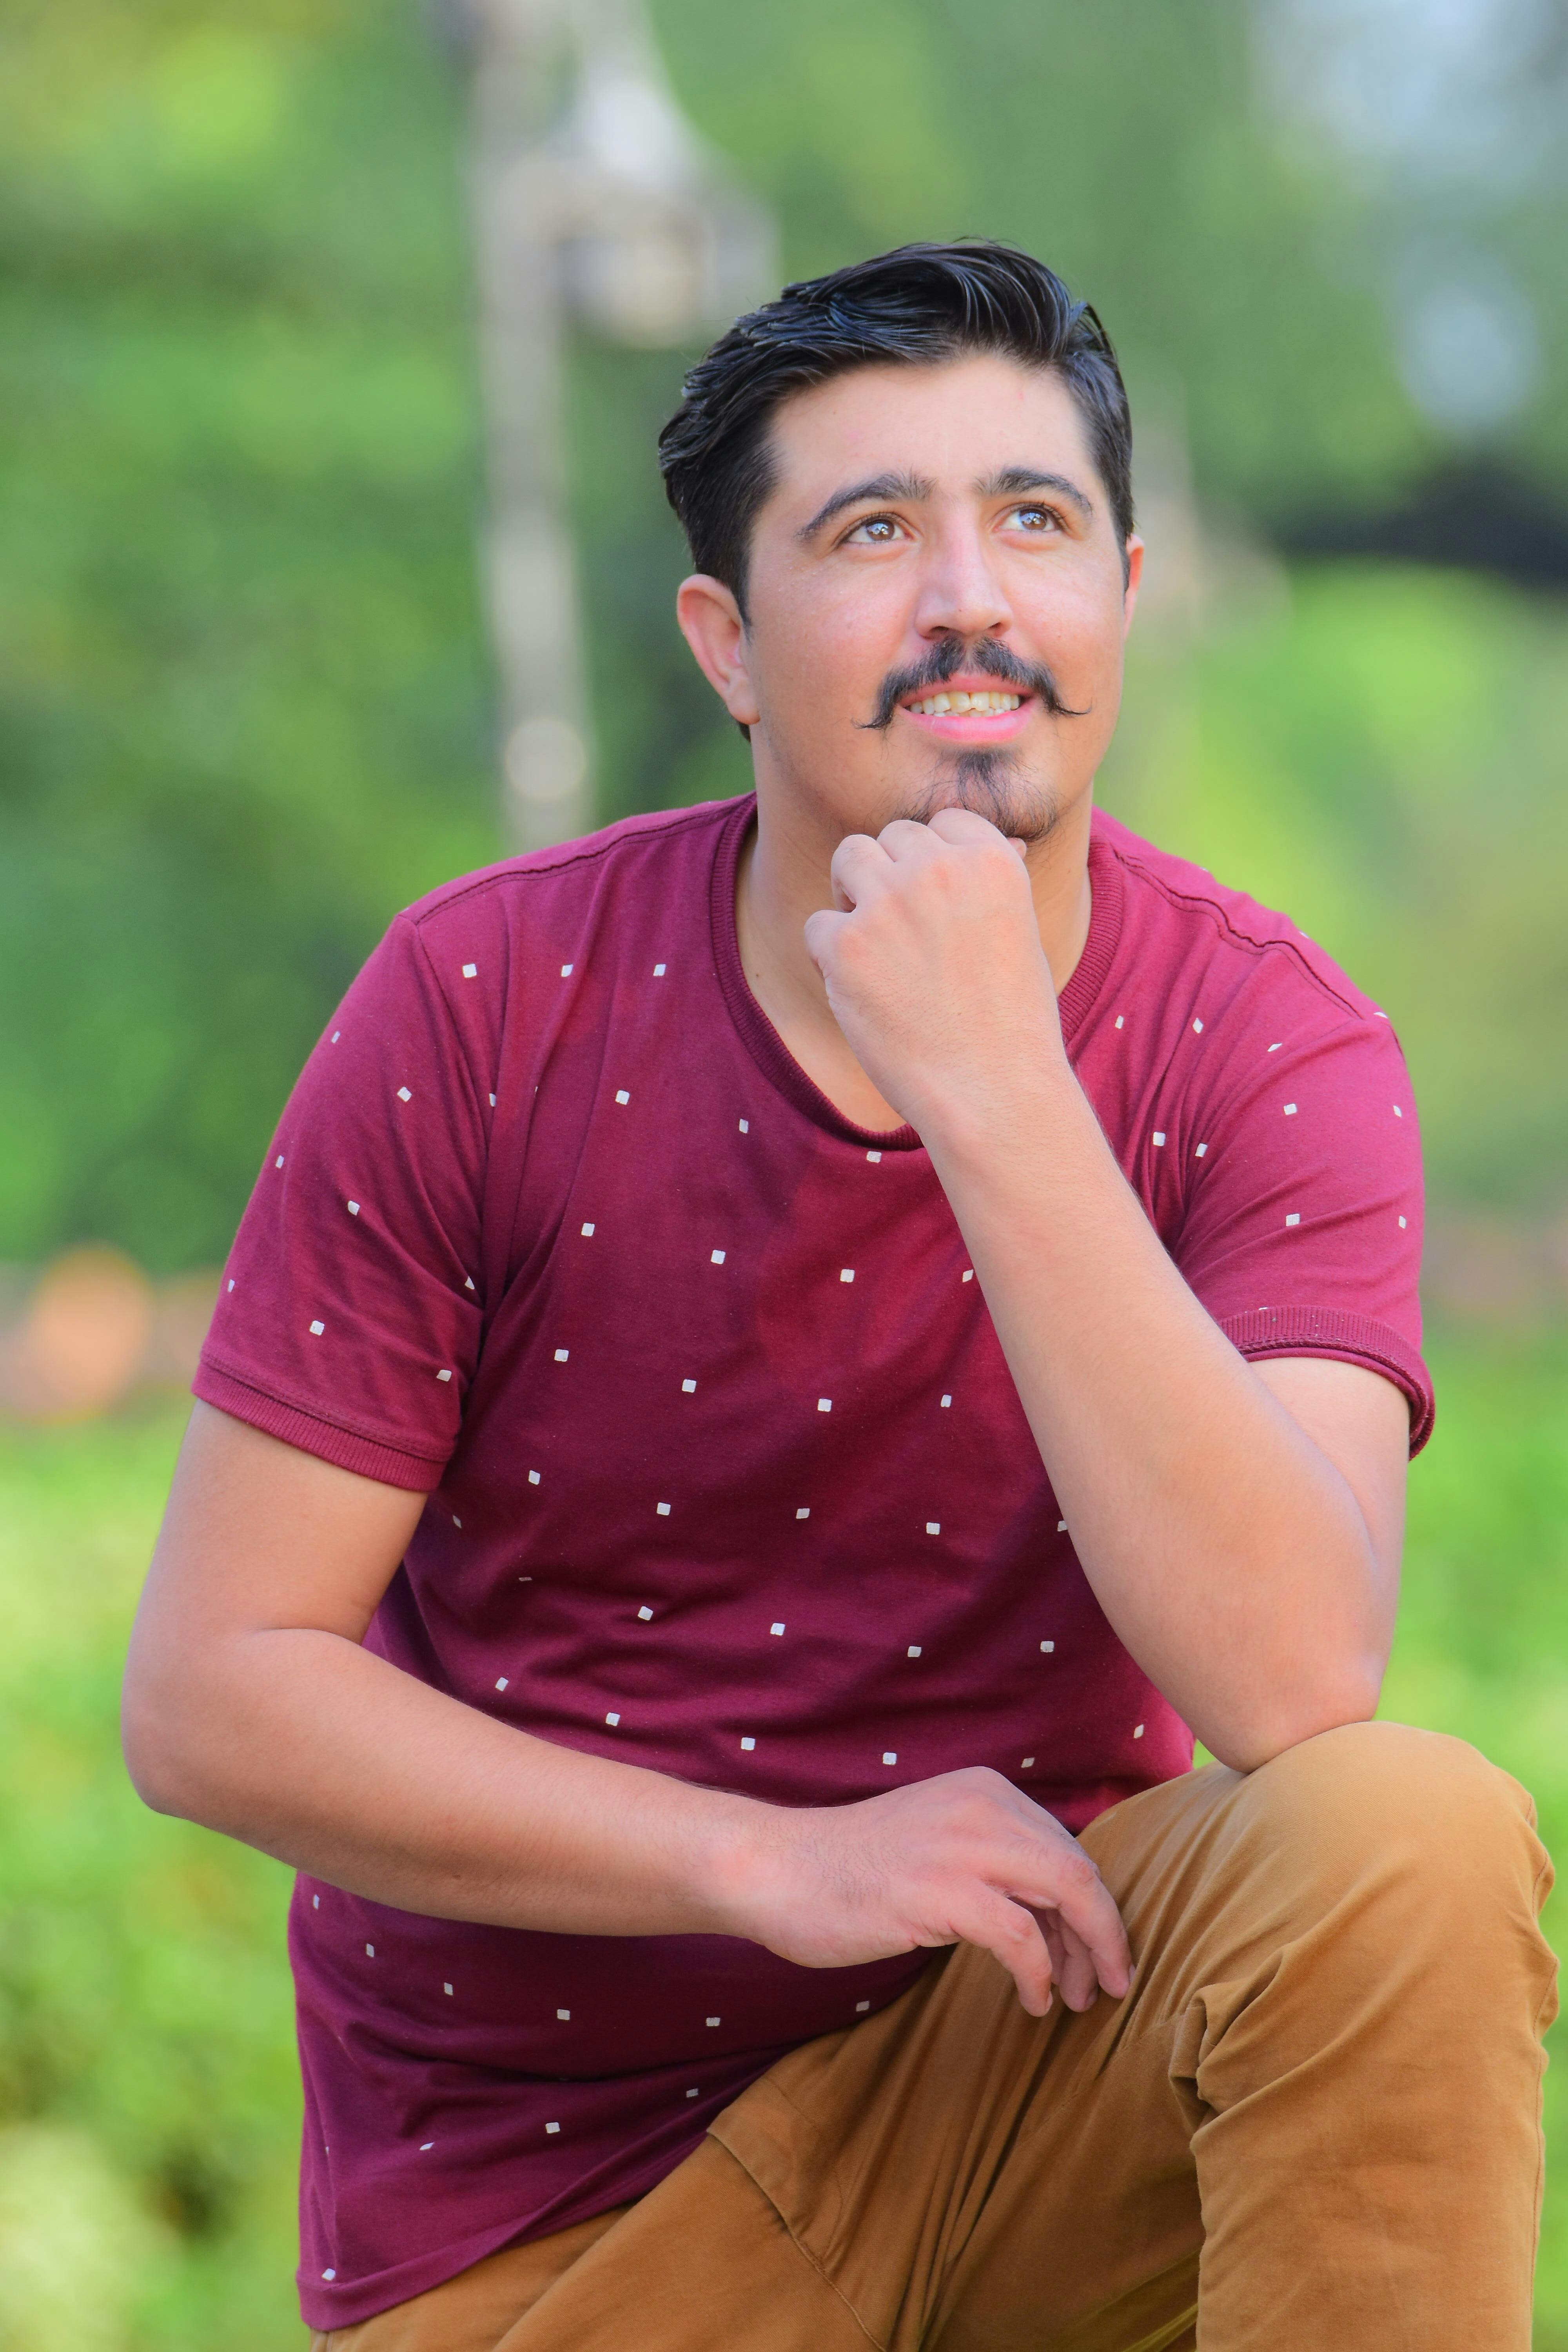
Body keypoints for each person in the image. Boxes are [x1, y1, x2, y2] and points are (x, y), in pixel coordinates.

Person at [123, 242, 1555, 2351]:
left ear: (1123, 598)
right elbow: (214, 1693)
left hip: (1050, 2087)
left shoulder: (1273, 1043)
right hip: (568, 2228)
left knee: (1408, 1835)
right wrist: (765, 1860)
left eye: (1035, 522)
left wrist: (997, 1091)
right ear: (726, 640)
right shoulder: (485, 999)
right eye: (875, 531)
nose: (972, 597)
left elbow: (1289, 1681)